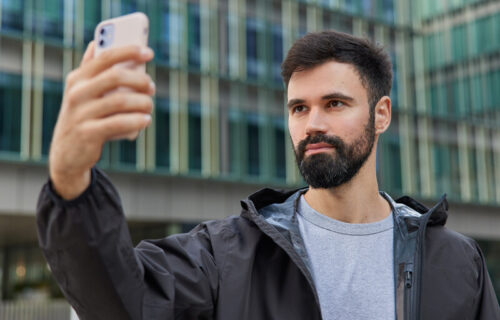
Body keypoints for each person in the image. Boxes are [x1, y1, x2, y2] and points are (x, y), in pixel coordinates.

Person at [36, 30, 499, 320]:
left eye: (334, 103)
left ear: (381, 114)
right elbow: (124, 303)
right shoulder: (226, 254)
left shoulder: (458, 261)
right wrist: (71, 181)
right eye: (299, 108)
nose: (312, 123)